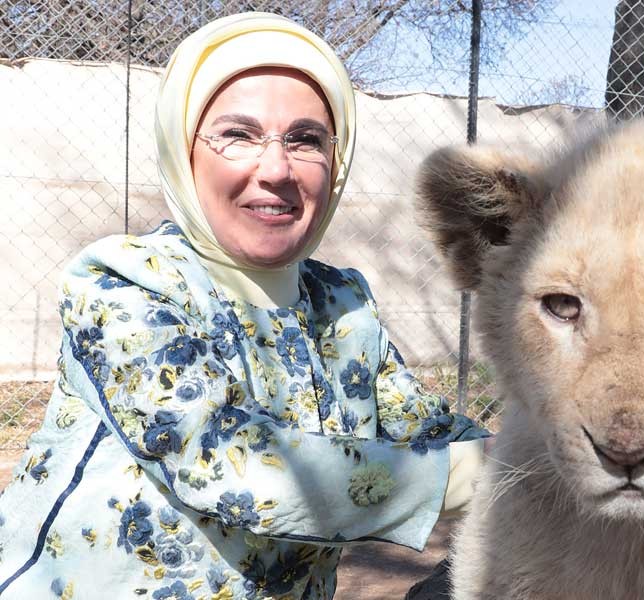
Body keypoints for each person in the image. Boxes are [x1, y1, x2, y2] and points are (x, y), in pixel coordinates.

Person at [0, 12, 488, 598]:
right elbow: (231, 466)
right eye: (238, 135)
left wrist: (548, 455)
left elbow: (422, 425)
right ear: (185, 153)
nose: (277, 169)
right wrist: (487, 478)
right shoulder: (123, 284)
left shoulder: (342, 303)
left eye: (306, 139)